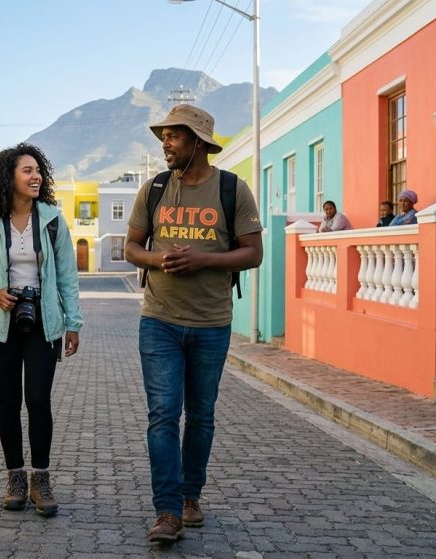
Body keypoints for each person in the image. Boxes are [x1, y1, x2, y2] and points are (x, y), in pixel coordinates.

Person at [125, 104, 263, 543]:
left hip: (211, 322)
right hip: (159, 320)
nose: (165, 144)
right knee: (163, 414)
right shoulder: (155, 189)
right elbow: (131, 247)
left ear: (199, 142)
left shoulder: (232, 190)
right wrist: (157, 259)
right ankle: (167, 510)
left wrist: (204, 259)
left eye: (174, 137)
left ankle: (191, 496)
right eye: (163, 137)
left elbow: (253, 253)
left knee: (201, 415)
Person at [0, 144, 83, 518]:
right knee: (7, 402)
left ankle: (41, 478)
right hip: (1, 322)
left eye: (38, 171)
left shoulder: (51, 219)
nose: (36, 177)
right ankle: (15, 477)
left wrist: (73, 323)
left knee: (38, 399)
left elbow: (67, 275)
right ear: (8, 178)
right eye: (27, 171)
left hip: (43, 323)